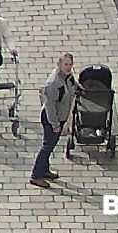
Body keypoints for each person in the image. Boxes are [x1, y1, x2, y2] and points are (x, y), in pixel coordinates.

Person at [31, 54, 77, 187]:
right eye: (66, 64)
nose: (68, 67)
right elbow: (50, 106)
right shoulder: (54, 83)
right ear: (59, 65)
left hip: (60, 117)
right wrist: (55, 125)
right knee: (47, 147)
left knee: (50, 146)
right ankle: (36, 175)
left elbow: (74, 86)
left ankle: (44, 170)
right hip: (52, 119)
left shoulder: (68, 77)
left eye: (70, 64)